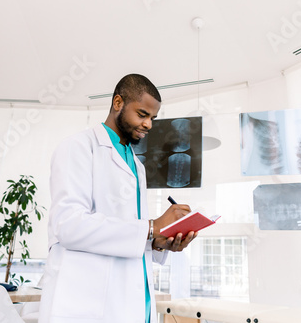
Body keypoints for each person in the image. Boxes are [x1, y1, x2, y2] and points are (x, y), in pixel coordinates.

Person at [38, 73, 197, 323]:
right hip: (86, 303)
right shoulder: (78, 147)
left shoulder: (137, 165)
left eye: (153, 118)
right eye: (142, 114)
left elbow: (129, 231)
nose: (148, 125)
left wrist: (158, 241)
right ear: (118, 103)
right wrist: (152, 227)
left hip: (132, 303)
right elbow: (68, 225)